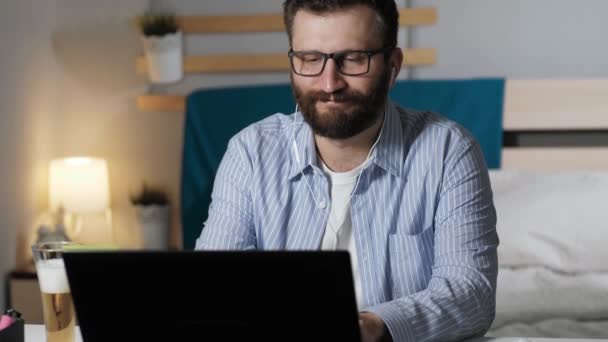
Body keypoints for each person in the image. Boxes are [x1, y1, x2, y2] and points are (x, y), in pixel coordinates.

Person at [195, 0, 499, 341]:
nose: (329, 83)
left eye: (353, 59)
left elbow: (472, 293)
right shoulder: (249, 154)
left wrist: (375, 326)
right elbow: (212, 287)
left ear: (393, 66)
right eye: (310, 59)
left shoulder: (448, 152)